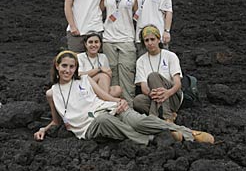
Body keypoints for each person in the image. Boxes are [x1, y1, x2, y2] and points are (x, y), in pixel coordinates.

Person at [34, 50, 214, 144]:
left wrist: (119, 101)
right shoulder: (53, 93)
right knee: (104, 120)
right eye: (64, 66)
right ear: (57, 66)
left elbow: (103, 96)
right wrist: (44, 129)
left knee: (137, 120)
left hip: (107, 109)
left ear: (75, 68)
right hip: (90, 126)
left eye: (71, 67)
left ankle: (186, 132)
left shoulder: (85, 79)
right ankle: (152, 139)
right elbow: (57, 122)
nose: (67, 70)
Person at [101, 0, 137, 106]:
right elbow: (98, 11)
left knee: (127, 72)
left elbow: (137, 14)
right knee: (113, 74)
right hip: (108, 39)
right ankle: (115, 105)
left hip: (127, 38)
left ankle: (129, 105)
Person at [133, 25, 183, 122]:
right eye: (146, 40)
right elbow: (144, 88)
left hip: (172, 95)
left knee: (153, 76)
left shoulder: (170, 56)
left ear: (158, 40)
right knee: (138, 101)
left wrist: (167, 93)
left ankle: (162, 116)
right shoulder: (141, 61)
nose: (150, 43)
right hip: (154, 97)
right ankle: (165, 113)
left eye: (152, 39)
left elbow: (177, 84)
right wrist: (153, 94)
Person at [77, 31, 121, 97]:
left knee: (117, 89)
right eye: (90, 42)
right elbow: (79, 75)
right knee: (102, 76)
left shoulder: (103, 57)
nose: (94, 45)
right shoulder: (80, 57)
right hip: (85, 87)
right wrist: (99, 69)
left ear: (100, 44)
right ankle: (104, 101)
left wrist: (107, 73)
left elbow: (108, 73)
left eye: (96, 42)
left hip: (101, 86)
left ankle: (101, 99)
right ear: (86, 44)